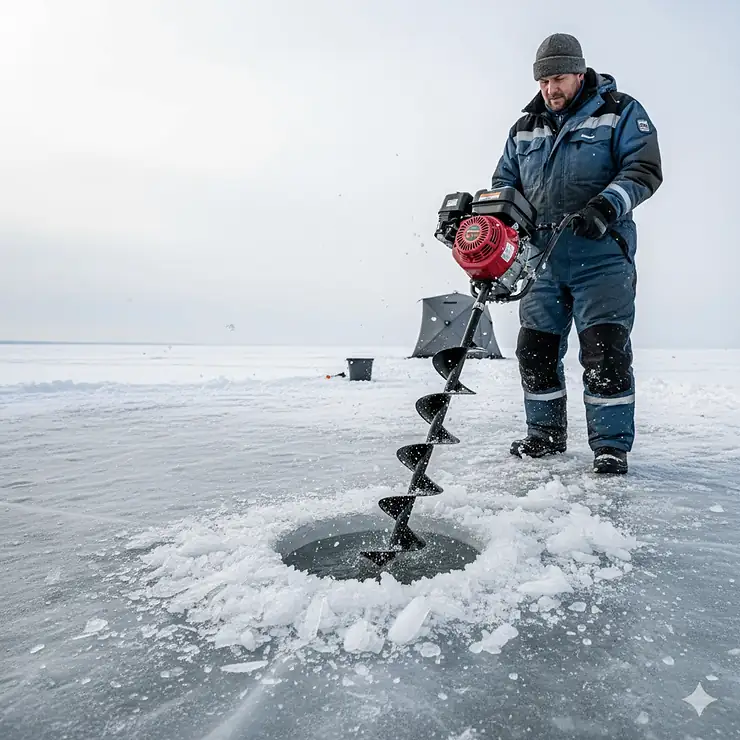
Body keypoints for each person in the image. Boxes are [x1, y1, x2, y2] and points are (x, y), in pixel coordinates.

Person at [490, 33, 662, 474]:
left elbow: (643, 169)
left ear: (580, 73)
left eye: (559, 78)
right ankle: (544, 436)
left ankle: (609, 446)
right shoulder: (523, 128)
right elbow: (504, 186)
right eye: (544, 80)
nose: (551, 89)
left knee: (604, 351)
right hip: (540, 260)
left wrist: (605, 207)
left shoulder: (620, 112)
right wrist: (493, 226)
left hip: (601, 255)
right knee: (535, 349)